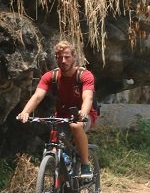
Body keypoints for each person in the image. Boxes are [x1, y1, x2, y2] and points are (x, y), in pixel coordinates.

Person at [17, 40, 96, 179]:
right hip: (61, 115)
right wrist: (26, 112)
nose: (63, 61)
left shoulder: (84, 76)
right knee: (55, 150)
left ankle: (85, 165)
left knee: (75, 126)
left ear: (74, 57)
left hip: (85, 114)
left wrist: (83, 113)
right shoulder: (50, 76)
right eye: (59, 57)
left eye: (66, 57)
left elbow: (88, 97)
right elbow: (37, 96)